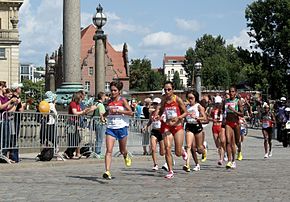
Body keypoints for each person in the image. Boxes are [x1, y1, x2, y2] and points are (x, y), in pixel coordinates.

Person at [102, 81, 134, 180]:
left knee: (122, 150)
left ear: (119, 91)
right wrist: (103, 116)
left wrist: (120, 111)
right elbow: (107, 112)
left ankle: (125, 155)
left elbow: (131, 112)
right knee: (109, 150)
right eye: (111, 90)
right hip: (111, 128)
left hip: (121, 127)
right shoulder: (109, 101)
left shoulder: (122, 100)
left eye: (115, 90)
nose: (113, 92)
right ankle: (107, 171)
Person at [158, 81, 188, 179]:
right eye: (165, 89)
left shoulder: (177, 99)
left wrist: (179, 117)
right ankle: (170, 170)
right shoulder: (163, 101)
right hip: (167, 126)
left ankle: (182, 151)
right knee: (167, 148)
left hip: (177, 126)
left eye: (169, 89)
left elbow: (185, 112)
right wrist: (158, 116)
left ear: (173, 90)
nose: (167, 91)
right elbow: (161, 111)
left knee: (178, 153)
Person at [183, 90, 207, 172]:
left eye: (191, 98)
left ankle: (204, 150)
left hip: (197, 126)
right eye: (188, 98)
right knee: (190, 147)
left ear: (195, 98)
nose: (190, 100)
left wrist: (197, 118)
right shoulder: (186, 107)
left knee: (199, 148)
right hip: (189, 126)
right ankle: (189, 164)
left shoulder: (198, 106)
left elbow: (205, 118)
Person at [63, 92, 90, 159]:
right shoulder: (73, 104)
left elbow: (80, 112)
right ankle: (68, 153)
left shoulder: (77, 104)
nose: (81, 99)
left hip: (75, 124)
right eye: (80, 97)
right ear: (77, 98)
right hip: (71, 123)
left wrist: (86, 111)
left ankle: (69, 153)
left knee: (77, 139)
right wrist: (83, 112)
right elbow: (75, 113)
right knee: (73, 139)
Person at [142, 97, 165, 170]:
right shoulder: (151, 113)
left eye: (156, 104)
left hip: (161, 131)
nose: (155, 105)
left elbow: (166, 121)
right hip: (154, 131)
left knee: (162, 152)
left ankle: (169, 160)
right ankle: (155, 164)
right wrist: (146, 126)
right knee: (153, 148)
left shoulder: (163, 112)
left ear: (160, 105)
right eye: (154, 104)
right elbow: (150, 121)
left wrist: (161, 119)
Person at [224, 86, 244, 169]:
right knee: (228, 141)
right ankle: (230, 161)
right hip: (228, 123)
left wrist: (233, 110)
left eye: (233, 92)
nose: (231, 93)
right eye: (230, 92)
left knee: (237, 142)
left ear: (235, 93)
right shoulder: (226, 101)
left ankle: (239, 150)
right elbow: (222, 110)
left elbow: (242, 114)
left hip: (236, 123)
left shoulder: (238, 101)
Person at [0, 81, 18, 163]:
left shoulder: (4, 97)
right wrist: (10, 101)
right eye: (4, 87)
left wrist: (14, 103)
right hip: (1, 120)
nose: (5, 88)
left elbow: (7, 109)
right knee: (2, 138)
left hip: (6, 119)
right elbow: (1, 107)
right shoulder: (1, 97)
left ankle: (3, 155)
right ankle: (2, 155)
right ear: (0, 87)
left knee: (6, 139)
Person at [209, 95, 226, 166]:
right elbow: (208, 117)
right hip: (214, 127)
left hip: (221, 126)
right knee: (217, 144)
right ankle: (222, 154)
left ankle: (221, 159)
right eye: (217, 103)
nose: (218, 105)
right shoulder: (212, 110)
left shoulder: (223, 110)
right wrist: (212, 119)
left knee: (222, 142)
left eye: (219, 103)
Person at [91, 91, 107, 159]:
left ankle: (97, 152)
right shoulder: (101, 105)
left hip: (96, 122)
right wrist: (104, 121)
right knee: (100, 139)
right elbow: (102, 114)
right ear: (102, 97)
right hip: (100, 123)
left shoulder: (96, 103)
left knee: (97, 138)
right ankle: (98, 152)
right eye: (104, 97)